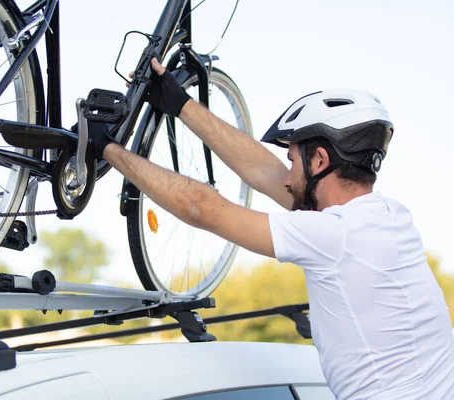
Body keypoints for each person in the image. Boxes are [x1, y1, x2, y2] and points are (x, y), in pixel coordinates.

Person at [86, 58, 454, 400]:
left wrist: (108, 149)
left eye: (292, 159)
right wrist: (180, 104)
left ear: (321, 161)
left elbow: (203, 208)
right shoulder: (389, 217)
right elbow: (268, 175)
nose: (288, 175)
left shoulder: (334, 235)